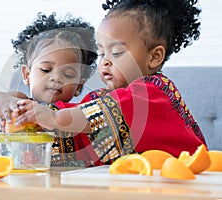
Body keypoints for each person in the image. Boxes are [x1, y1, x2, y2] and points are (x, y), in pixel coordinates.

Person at [12, 0, 207, 165]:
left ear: (154, 57)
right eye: (101, 52)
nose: (105, 61)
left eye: (116, 52)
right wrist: (33, 121)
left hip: (187, 183)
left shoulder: (155, 93)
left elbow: (81, 117)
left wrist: (52, 118)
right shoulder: (99, 99)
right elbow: (75, 130)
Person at [0, 12, 102, 166]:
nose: (56, 78)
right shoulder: (20, 103)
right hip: (24, 180)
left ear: (78, 86)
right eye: (46, 70)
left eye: (68, 74)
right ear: (27, 75)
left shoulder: (79, 114)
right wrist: (0, 100)